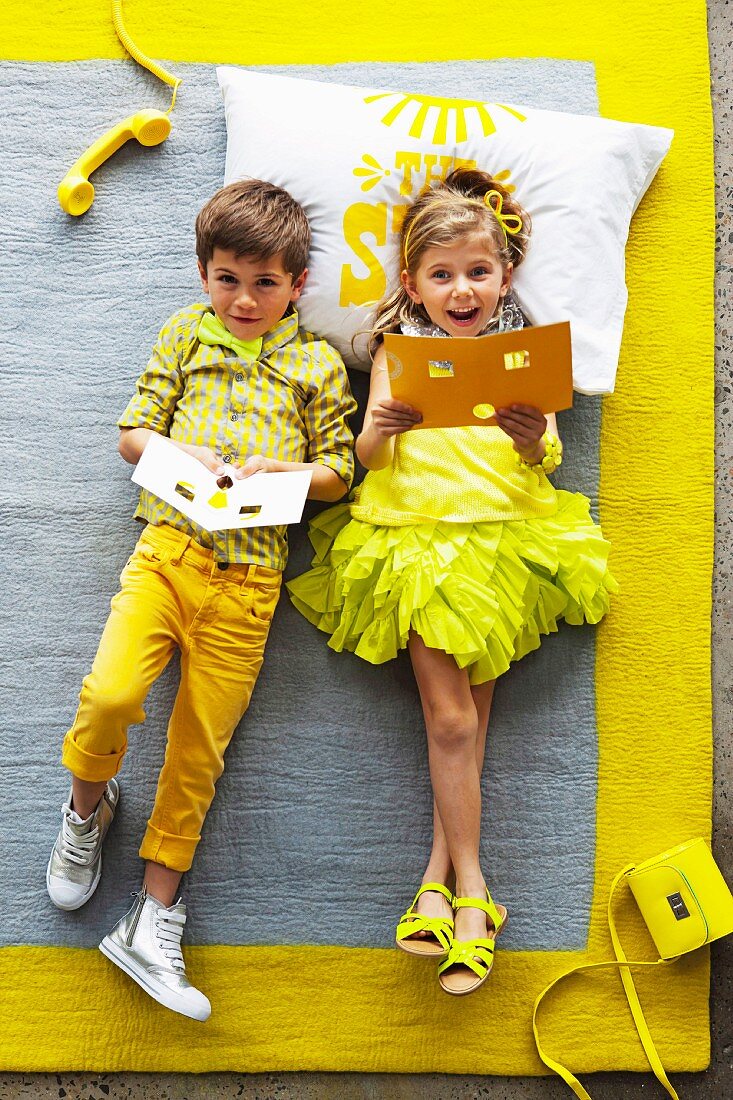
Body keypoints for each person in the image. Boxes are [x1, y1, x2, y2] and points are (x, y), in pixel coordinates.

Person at [287, 167, 617, 996]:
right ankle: (475, 895)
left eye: (477, 272)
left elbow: (545, 458)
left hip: (507, 542)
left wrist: (531, 432)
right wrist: (382, 428)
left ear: (503, 277)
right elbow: (366, 459)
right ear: (413, 284)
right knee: (448, 720)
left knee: (464, 724)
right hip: (418, 543)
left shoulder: (519, 353)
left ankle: (435, 875)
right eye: (441, 275)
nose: (461, 289)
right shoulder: (397, 355)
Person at [46, 179, 357, 1020]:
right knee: (109, 694)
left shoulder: (317, 364)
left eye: (264, 283)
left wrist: (281, 472)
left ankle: (152, 918)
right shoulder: (185, 334)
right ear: (202, 274)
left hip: (251, 585)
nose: (244, 299)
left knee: (197, 754)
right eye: (227, 279)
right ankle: (87, 806)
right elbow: (130, 432)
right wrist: (185, 459)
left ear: (297, 285)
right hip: (168, 554)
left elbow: (340, 472)